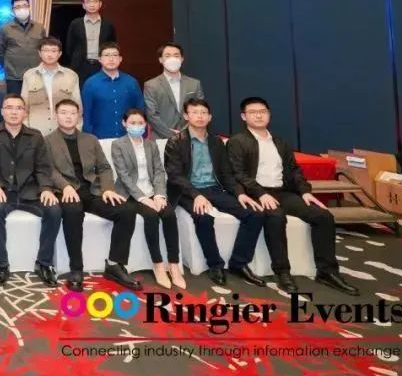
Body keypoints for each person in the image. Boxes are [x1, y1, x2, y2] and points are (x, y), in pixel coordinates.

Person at [226, 97, 358, 295]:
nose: (259, 115)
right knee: (276, 217)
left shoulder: (280, 142)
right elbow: (239, 174)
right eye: (253, 112)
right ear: (243, 117)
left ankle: (327, 272)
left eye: (263, 111)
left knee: (323, 216)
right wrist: (260, 193)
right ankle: (282, 272)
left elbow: (294, 170)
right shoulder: (237, 142)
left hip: (282, 192)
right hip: (256, 193)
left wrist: (305, 191)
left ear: (269, 114)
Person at [163, 98, 268, 287]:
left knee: (255, 214)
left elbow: (226, 173)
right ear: (186, 116)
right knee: (204, 217)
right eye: (195, 112)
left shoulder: (217, 142)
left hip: (215, 189)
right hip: (188, 191)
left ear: (210, 117)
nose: (200, 116)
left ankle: (239, 263)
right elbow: (175, 176)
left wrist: (239, 193)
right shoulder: (175, 142)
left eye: (204, 112)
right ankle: (215, 265)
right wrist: (196, 195)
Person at [44, 99, 139, 291]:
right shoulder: (47, 141)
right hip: (66, 192)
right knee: (73, 212)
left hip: (92, 190)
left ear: (79, 117)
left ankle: (114, 264)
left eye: (73, 113)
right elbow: (48, 169)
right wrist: (65, 186)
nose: (68, 116)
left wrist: (108, 188)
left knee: (127, 211)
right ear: (55, 116)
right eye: (63, 112)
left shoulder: (90, 139)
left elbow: (104, 167)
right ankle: (76, 268)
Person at [0, 95, 60, 287]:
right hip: (2, 190)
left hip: (31, 191)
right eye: (9, 108)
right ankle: (2, 265)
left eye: (18, 108)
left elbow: (43, 167)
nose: (14, 112)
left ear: (25, 112)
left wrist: (46, 188)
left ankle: (44, 263)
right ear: (2, 112)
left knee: (54, 210)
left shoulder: (35, 136)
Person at [111, 109, 185, 290]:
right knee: (151, 216)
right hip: (131, 194)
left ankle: (174, 265)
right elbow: (124, 176)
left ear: (146, 125)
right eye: (132, 123)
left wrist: (159, 195)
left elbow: (159, 171)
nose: (137, 126)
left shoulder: (151, 145)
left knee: (169, 214)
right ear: (124, 124)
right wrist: (143, 198)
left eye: (140, 123)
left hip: (152, 191)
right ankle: (158, 264)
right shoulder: (118, 145)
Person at [80, 42, 144, 139]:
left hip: (128, 137)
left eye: (115, 55)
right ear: (99, 59)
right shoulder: (90, 83)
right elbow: (86, 114)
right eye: (106, 55)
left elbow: (140, 109)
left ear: (120, 59)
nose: (111, 59)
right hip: (99, 137)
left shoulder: (131, 82)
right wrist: (88, 138)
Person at [21, 37, 81, 136]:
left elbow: (78, 107)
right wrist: (26, 132)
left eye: (54, 51)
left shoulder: (71, 75)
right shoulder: (29, 75)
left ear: (60, 53)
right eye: (46, 50)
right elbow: (24, 107)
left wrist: (76, 131)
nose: (49, 54)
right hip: (35, 131)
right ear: (39, 53)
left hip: (63, 131)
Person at [0, 0, 45, 95]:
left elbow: (44, 49)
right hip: (14, 77)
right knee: (15, 102)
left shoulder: (39, 28)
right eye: (17, 7)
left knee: (35, 102)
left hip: (36, 75)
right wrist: (9, 67)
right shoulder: (5, 28)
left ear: (29, 7)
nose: (22, 9)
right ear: (13, 10)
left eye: (24, 6)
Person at [65, 0, 117, 84]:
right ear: (83, 5)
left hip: (101, 65)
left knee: (100, 89)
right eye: (88, 2)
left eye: (95, 1)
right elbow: (69, 47)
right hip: (80, 66)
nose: (92, 5)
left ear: (100, 4)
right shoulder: (75, 24)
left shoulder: (108, 25)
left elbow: (112, 46)